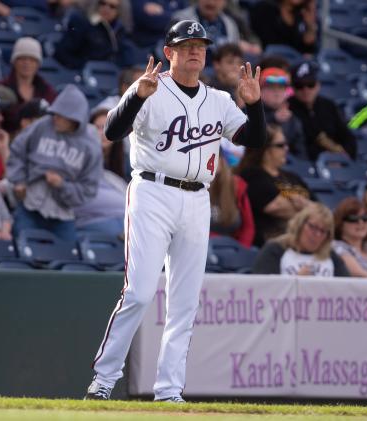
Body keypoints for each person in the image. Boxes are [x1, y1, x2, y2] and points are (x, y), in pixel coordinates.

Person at [86, 20, 266, 402]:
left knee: (185, 302)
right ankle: (104, 380)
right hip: (152, 190)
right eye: (186, 45)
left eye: (200, 45)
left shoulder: (217, 99)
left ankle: (168, 390)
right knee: (138, 293)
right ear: (169, 53)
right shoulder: (150, 87)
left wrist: (255, 104)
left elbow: (254, 139)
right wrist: (137, 96)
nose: (195, 51)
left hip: (198, 198)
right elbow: (113, 132)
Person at [7, 84, 103, 244]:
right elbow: (18, 149)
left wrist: (62, 185)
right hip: (30, 206)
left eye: (60, 115)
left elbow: (88, 190)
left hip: (62, 214)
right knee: (26, 252)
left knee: (67, 259)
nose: (54, 118)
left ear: (74, 118)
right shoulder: (43, 125)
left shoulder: (91, 146)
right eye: (54, 113)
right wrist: (19, 180)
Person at [237, 124, 312, 247]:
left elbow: (321, 210)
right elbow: (278, 208)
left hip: (302, 240)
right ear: (265, 150)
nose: (286, 149)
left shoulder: (292, 176)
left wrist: (301, 204)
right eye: (280, 145)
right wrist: (307, 207)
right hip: (274, 243)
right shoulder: (252, 175)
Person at [252, 203, 349, 276]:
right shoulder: (275, 250)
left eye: (323, 231)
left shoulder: (331, 256)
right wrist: (296, 282)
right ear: (300, 224)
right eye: (313, 227)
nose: (317, 235)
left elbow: (346, 290)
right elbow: (264, 289)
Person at [72, 108, 127, 237]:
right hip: (92, 229)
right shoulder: (77, 160)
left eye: (109, 127)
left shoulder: (121, 166)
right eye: (98, 127)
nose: (104, 133)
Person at [288, 60, 356, 161]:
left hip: (338, 162)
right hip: (308, 165)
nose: (306, 90)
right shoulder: (287, 107)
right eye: (299, 86)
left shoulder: (328, 105)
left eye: (310, 84)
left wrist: (343, 158)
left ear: (318, 85)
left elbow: (347, 137)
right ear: (293, 88)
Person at [54, 0, 136, 70]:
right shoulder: (82, 24)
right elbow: (62, 53)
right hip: (84, 74)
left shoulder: (120, 30)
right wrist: (83, 66)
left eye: (112, 6)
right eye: (103, 3)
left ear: (119, 11)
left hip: (109, 75)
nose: (106, 8)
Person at [0, 37, 57, 134]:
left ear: (38, 64)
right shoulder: (1, 87)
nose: (27, 63)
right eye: (22, 58)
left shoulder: (48, 91)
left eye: (32, 59)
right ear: (14, 61)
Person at [259, 66, 305, 158]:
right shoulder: (248, 110)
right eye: (271, 87)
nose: (276, 92)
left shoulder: (293, 120)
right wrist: (273, 118)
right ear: (260, 90)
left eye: (281, 88)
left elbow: (302, 155)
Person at [209, 155, 255, 247]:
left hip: (233, 247)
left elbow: (248, 227)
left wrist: (241, 250)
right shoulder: (193, 186)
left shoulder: (236, 186)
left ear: (222, 160)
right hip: (203, 246)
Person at [249, 0, 318, 54]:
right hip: (268, 60)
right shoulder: (265, 8)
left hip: (294, 63)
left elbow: (308, 51)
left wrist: (310, 26)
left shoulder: (302, 15)